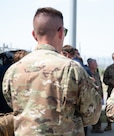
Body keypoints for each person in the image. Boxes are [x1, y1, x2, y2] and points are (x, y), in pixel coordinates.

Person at [2, 7, 102, 136]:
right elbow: (92, 116)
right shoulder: (72, 68)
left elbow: (13, 105)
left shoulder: (13, 70)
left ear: (34, 34)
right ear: (61, 32)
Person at [103, 52, 114, 131]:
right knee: (109, 107)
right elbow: (104, 80)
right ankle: (109, 125)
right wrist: (110, 82)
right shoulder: (109, 68)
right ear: (112, 58)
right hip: (111, 91)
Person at [87, 58, 104, 133]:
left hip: (98, 95)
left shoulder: (96, 73)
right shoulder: (87, 73)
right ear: (90, 65)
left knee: (98, 111)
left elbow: (100, 84)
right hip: (92, 96)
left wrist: (102, 94)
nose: (97, 65)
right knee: (93, 112)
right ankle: (95, 127)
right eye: (95, 63)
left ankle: (98, 127)